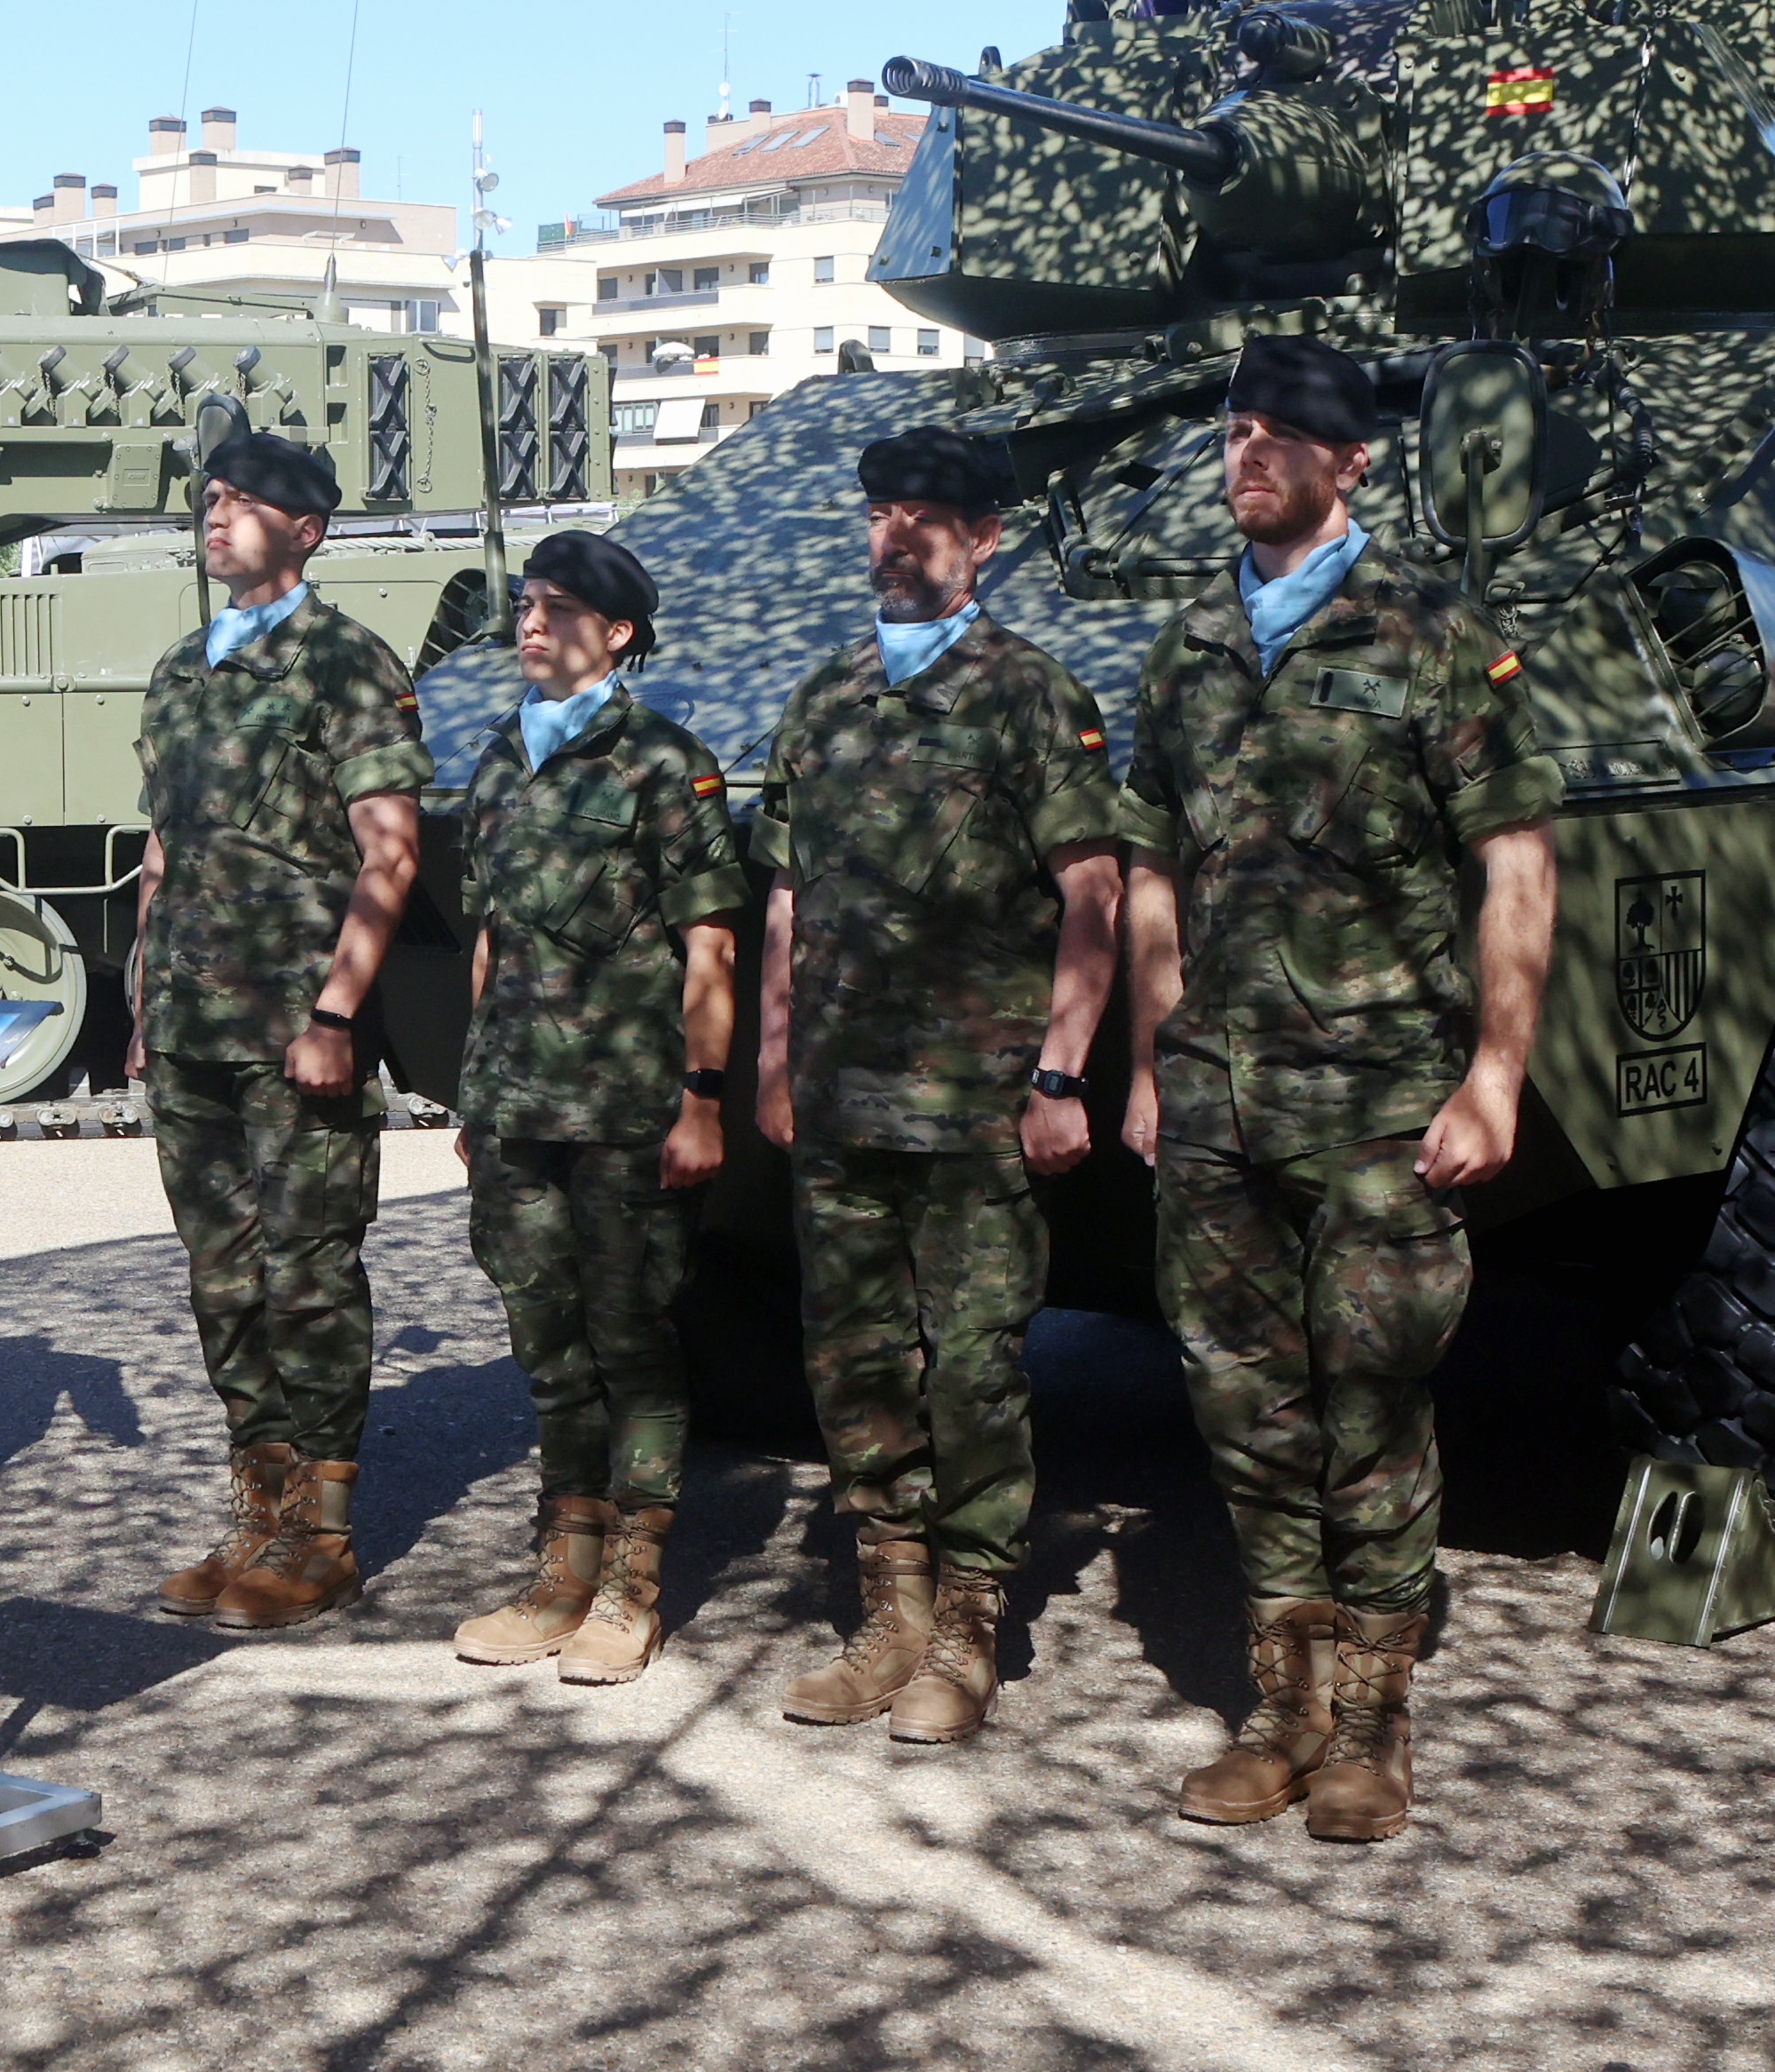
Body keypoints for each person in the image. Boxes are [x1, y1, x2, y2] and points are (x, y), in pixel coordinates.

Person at [1116, 337, 1557, 1844]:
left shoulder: (1429, 629)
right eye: (1233, 428)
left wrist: (1493, 1070)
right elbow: (1148, 868)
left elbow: (1513, 855)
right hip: (1218, 1101)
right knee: (1242, 1401)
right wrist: (1142, 1060)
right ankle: (1282, 1703)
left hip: (1376, 1092)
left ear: (1347, 459)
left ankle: (1373, 1716)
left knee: (1369, 1392)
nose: (1247, 452)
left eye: (1278, 432)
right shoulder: (1185, 645)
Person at [752, 425, 1121, 1747]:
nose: (896, 535)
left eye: (926, 517)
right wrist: (774, 1055)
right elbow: (786, 894)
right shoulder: (827, 696)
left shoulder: (1030, 693)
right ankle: (890, 1611)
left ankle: (969, 1627)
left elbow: (1095, 891)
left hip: (975, 1106)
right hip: (843, 1104)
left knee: (972, 1370)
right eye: (883, 514)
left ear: (984, 542)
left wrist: (1063, 1071)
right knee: (855, 1362)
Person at [129, 429, 429, 1634]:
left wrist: (335, 1011)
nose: (218, 514)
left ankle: (325, 1536)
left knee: (307, 1275)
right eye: (210, 497)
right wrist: (145, 1002)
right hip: (194, 1024)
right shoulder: (179, 669)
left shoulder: (346, 663)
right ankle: (260, 1507)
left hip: (294, 1025)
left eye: (246, 501)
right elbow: (163, 851)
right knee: (222, 1280)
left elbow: (391, 850)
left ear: (306, 531)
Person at [446, 531, 746, 1685]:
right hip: (517, 1106)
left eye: (557, 609)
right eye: (525, 605)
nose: (531, 625)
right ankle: (561, 1569)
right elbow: (490, 941)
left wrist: (702, 1100)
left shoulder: (665, 763)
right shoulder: (496, 760)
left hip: (626, 1109)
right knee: (547, 1346)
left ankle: (632, 1584)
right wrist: (471, 1087)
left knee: (632, 1346)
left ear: (616, 634)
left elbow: (710, 939)